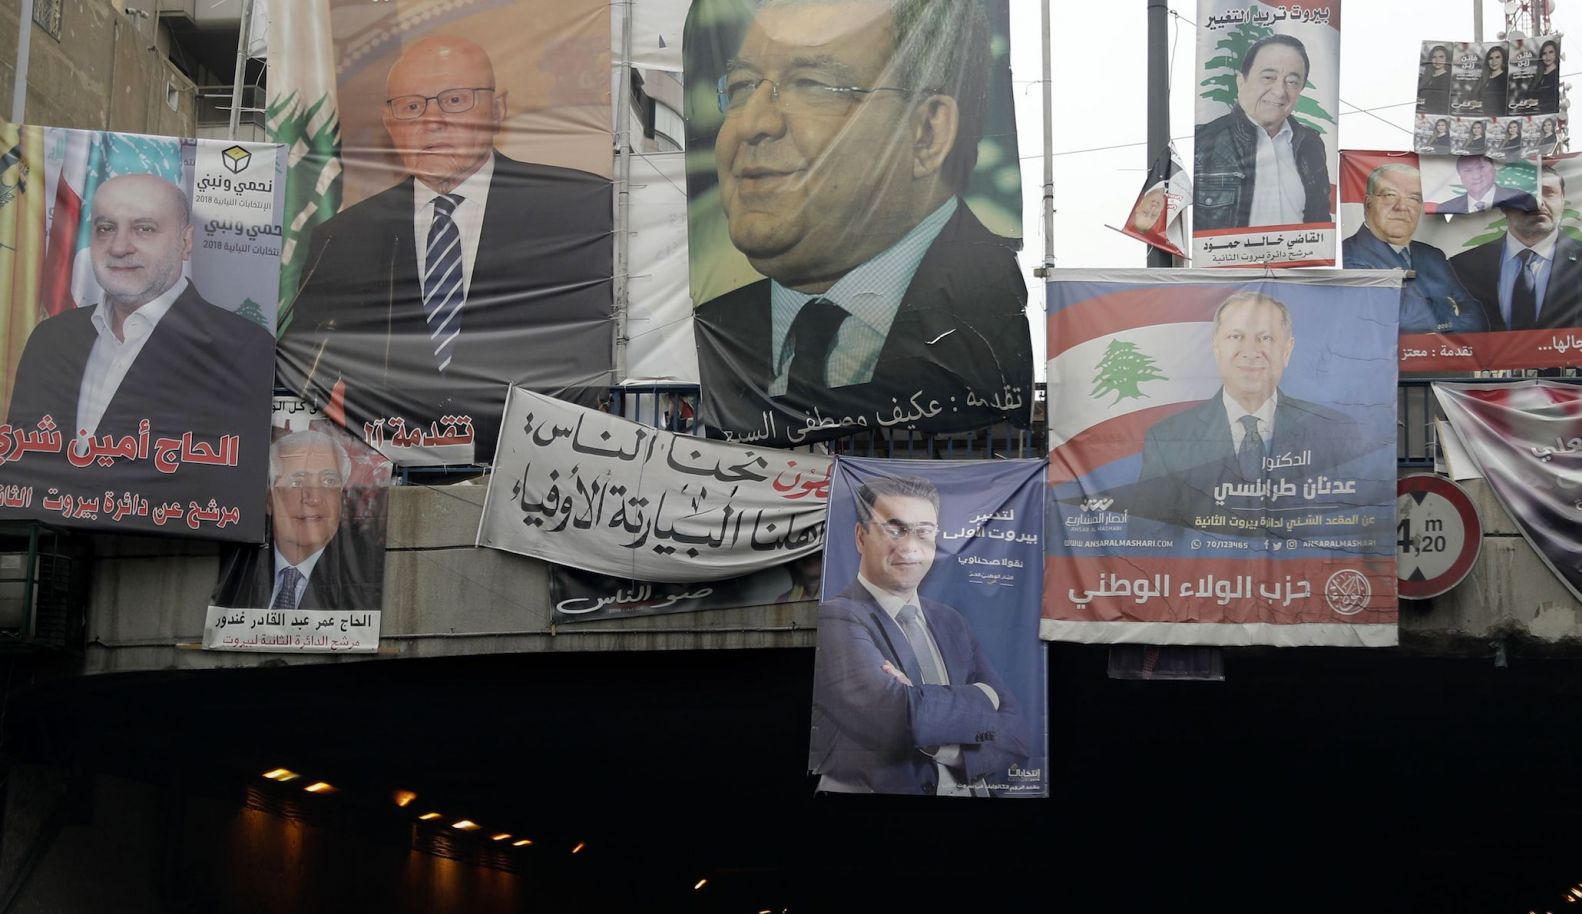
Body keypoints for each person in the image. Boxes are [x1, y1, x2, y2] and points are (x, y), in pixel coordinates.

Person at [693, 0, 1031, 442]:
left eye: (811, 84)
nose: (752, 123)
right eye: (740, 87)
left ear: (926, 132)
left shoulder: (990, 326)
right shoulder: (719, 332)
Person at [278, 34, 615, 464]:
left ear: (498, 109)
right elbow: (307, 374)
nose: (432, 120)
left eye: (455, 100)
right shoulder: (341, 238)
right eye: (412, 106)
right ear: (389, 121)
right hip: (392, 489)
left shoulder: (582, 209)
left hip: (544, 477)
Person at [6, 173, 272, 508]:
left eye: (144, 228)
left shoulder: (242, 348)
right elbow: (20, 471)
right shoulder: (51, 339)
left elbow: (231, 487)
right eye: (105, 228)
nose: (118, 247)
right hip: (53, 548)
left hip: (167, 552)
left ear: (186, 242)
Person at [810, 475, 1027, 796]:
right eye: (894, 529)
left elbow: (1018, 733)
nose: (910, 546)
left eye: (924, 532)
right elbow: (897, 718)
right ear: (861, 537)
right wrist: (985, 696)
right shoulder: (837, 618)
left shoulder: (951, 621)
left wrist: (944, 748)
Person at [1136, 291, 1375, 527]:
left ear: (1287, 350)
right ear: (1216, 347)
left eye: (1266, 338)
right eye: (1236, 337)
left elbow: (1355, 527)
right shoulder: (1167, 439)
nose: (1250, 352)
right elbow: (1149, 537)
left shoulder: (1334, 432)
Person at [212, 430, 383, 610]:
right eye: (297, 483)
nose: (314, 498)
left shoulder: (363, 573)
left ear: (341, 498)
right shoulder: (239, 567)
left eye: (329, 481)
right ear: (270, 500)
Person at [1192, 34, 1331, 231]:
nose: (1280, 91)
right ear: (1241, 82)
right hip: (1230, 260)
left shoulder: (1311, 144)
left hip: (1297, 260)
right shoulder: (1205, 142)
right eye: (1268, 77)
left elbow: (1320, 221)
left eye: (1292, 82)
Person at [1447, 166, 1582, 330]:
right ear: (1502, 204)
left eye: (1548, 192)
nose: (1538, 203)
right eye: (1526, 193)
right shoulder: (1460, 267)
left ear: (1562, 200)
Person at [1341, 163, 1485, 334]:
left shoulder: (1433, 256)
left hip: (1438, 358)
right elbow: (1398, 318)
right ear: (1368, 203)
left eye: (1413, 198)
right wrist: (1450, 307)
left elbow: (1477, 318)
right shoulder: (1348, 255)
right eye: (1389, 195)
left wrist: (1424, 312)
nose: (1401, 207)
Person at [1432, 154, 1528, 214]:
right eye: (1468, 170)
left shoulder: (1520, 199)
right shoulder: (1446, 208)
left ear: (1494, 169)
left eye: (1481, 167)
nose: (1476, 176)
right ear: (1460, 177)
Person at [1524, 39, 1560, 114]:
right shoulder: (1537, 76)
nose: (1547, 56)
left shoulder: (1556, 75)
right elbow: (1527, 95)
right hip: (1531, 116)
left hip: (1548, 116)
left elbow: (1554, 98)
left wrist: (1538, 102)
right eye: (1544, 53)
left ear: (1556, 53)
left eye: (1551, 52)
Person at [1416, 44, 1451, 114]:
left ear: (1446, 59)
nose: (1437, 60)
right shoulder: (1425, 77)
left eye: (1441, 57)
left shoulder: (1449, 78)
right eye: (1434, 57)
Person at [1478, 44, 1509, 119]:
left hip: (1500, 118)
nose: (1494, 61)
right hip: (1483, 117)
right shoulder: (1483, 78)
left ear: (1503, 59)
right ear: (1487, 61)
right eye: (1490, 58)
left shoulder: (1506, 79)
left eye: (1497, 57)